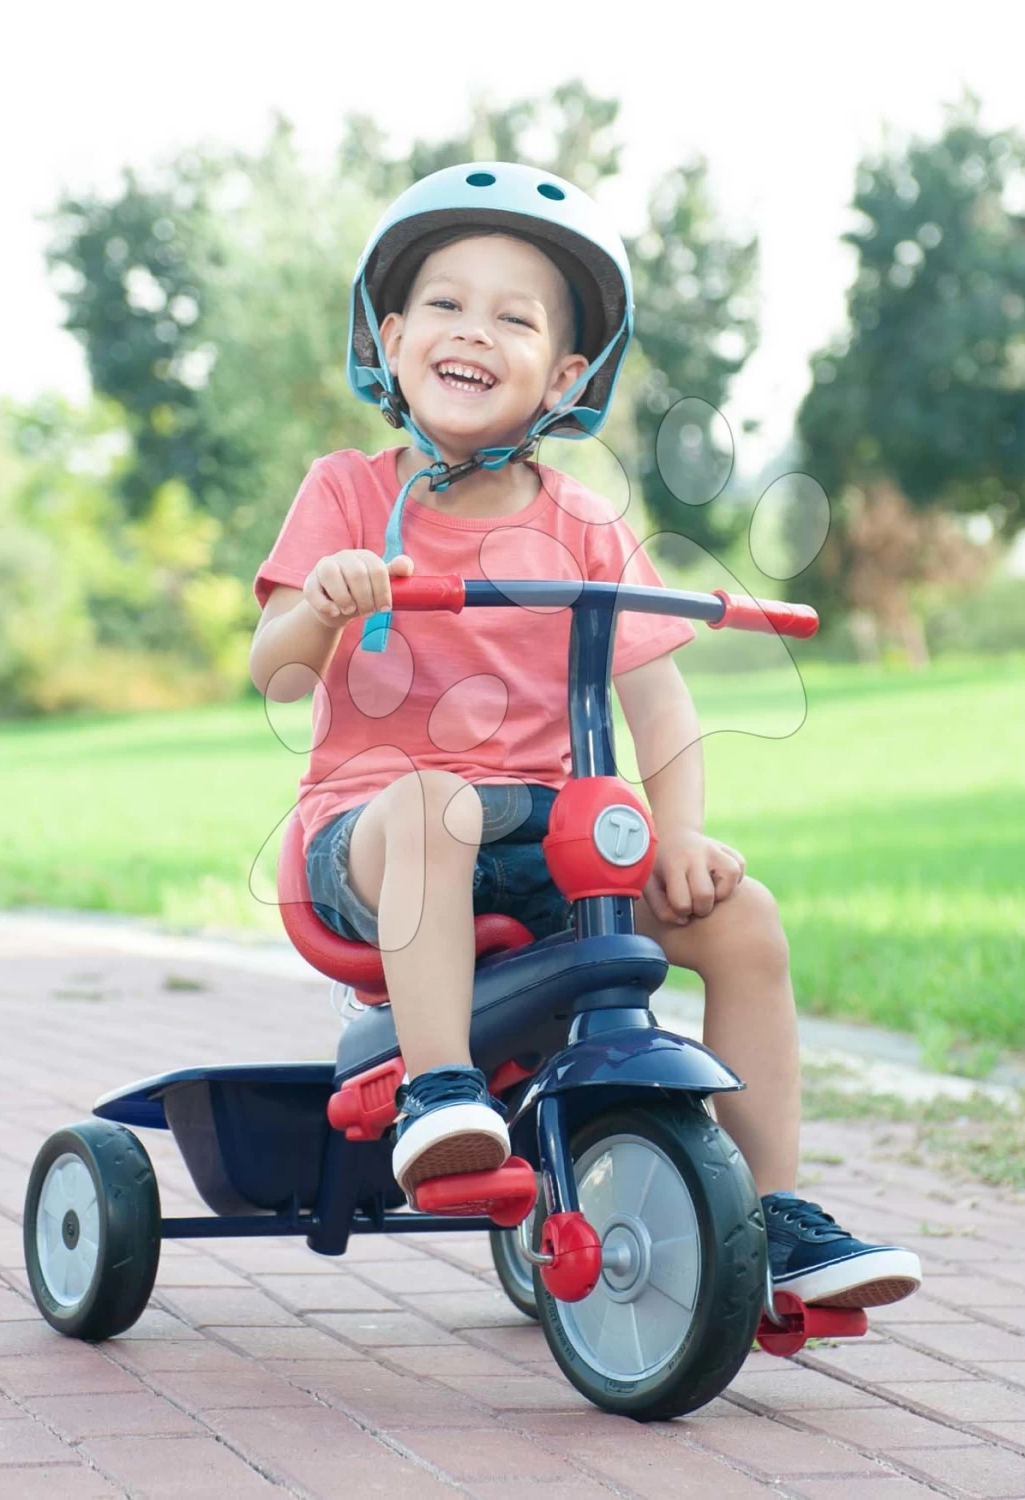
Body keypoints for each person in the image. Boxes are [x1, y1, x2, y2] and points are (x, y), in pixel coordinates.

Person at [248, 162, 920, 1310]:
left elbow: (657, 700)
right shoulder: (348, 493)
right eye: (447, 306)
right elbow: (275, 666)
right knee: (436, 803)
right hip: (368, 841)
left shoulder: (585, 523)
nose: (475, 331)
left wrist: (683, 834)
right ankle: (440, 1093)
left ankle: (768, 1220)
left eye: (514, 318)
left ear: (564, 375)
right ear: (394, 341)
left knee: (743, 917)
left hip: (546, 843)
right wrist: (324, 601)